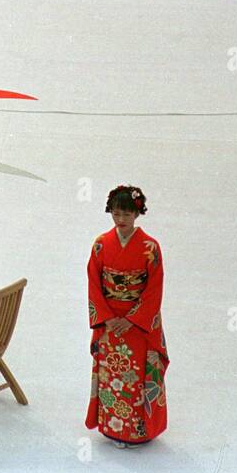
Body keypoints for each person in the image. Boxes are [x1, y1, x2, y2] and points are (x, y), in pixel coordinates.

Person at [86, 184, 168, 448]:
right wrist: (109, 318)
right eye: (116, 214)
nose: (121, 220)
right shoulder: (101, 245)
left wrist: (131, 319)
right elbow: (94, 284)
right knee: (113, 376)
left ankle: (140, 430)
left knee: (138, 375)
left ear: (137, 213)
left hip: (138, 325)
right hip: (111, 322)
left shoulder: (150, 248)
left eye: (127, 215)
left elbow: (154, 289)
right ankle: (113, 428)